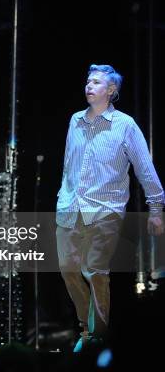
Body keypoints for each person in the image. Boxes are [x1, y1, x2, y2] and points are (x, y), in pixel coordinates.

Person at [56, 64, 164, 352]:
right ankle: (86, 326)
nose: (89, 86)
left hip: (105, 209)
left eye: (96, 82)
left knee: (94, 269)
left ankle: (95, 335)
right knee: (68, 267)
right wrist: (62, 198)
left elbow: (144, 167)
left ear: (111, 90)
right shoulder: (75, 120)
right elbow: (69, 165)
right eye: (87, 81)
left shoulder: (125, 125)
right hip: (70, 207)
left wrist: (156, 208)